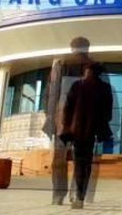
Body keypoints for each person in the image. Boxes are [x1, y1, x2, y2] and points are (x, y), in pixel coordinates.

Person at [59, 37, 114, 210]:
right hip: (91, 132)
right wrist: (101, 127)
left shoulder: (77, 85)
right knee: (87, 163)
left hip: (76, 131)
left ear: (86, 71)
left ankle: (77, 194)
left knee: (78, 162)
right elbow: (108, 113)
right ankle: (80, 196)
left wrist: (66, 127)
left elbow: (67, 109)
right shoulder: (104, 88)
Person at [42, 55, 81, 206]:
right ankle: (58, 193)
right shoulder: (58, 68)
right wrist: (50, 116)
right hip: (61, 123)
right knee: (58, 160)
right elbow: (48, 96)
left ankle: (76, 193)